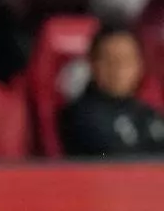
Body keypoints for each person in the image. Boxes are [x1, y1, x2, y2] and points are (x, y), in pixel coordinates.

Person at [58, 23, 164, 157]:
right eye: (109, 60)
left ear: (140, 65)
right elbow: (114, 158)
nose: (118, 68)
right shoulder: (79, 117)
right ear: (91, 63)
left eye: (126, 59)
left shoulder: (149, 114)